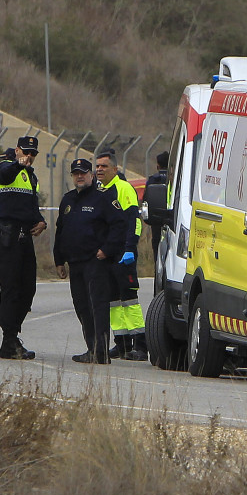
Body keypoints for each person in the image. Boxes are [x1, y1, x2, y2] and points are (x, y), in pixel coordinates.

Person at [54, 158, 126, 364]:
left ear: (91, 175)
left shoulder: (103, 197)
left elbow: (120, 225)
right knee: (81, 306)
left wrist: (107, 250)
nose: (79, 176)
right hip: (74, 262)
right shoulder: (68, 200)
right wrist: (59, 259)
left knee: (98, 306)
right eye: (76, 173)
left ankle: (101, 351)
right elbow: (61, 231)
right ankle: (91, 348)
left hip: (96, 262)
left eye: (83, 173)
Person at [0, 135, 46, 360]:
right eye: (25, 151)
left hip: (24, 234)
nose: (29, 156)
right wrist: (16, 163)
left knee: (28, 287)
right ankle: (9, 339)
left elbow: (32, 206)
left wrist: (41, 221)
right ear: (17, 150)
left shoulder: (31, 177)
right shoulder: (4, 168)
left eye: (33, 153)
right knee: (11, 287)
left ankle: (13, 335)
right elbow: (4, 175)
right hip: (6, 232)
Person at [95, 149, 148, 362]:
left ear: (114, 169)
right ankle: (122, 344)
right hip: (106, 253)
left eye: (104, 166)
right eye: (97, 166)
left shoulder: (123, 188)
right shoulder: (98, 190)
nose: (99, 170)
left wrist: (130, 247)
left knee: (129, 300)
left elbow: (133, 220)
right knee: (113, 301)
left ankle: (141, 345)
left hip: (122, 252)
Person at [144, 150, 170, 265]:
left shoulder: (153, 179)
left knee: (157, 243)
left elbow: (146, 198)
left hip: (156, 216)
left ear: (157, 165)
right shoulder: (175, 179)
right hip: (172, 216)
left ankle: (158, 266)